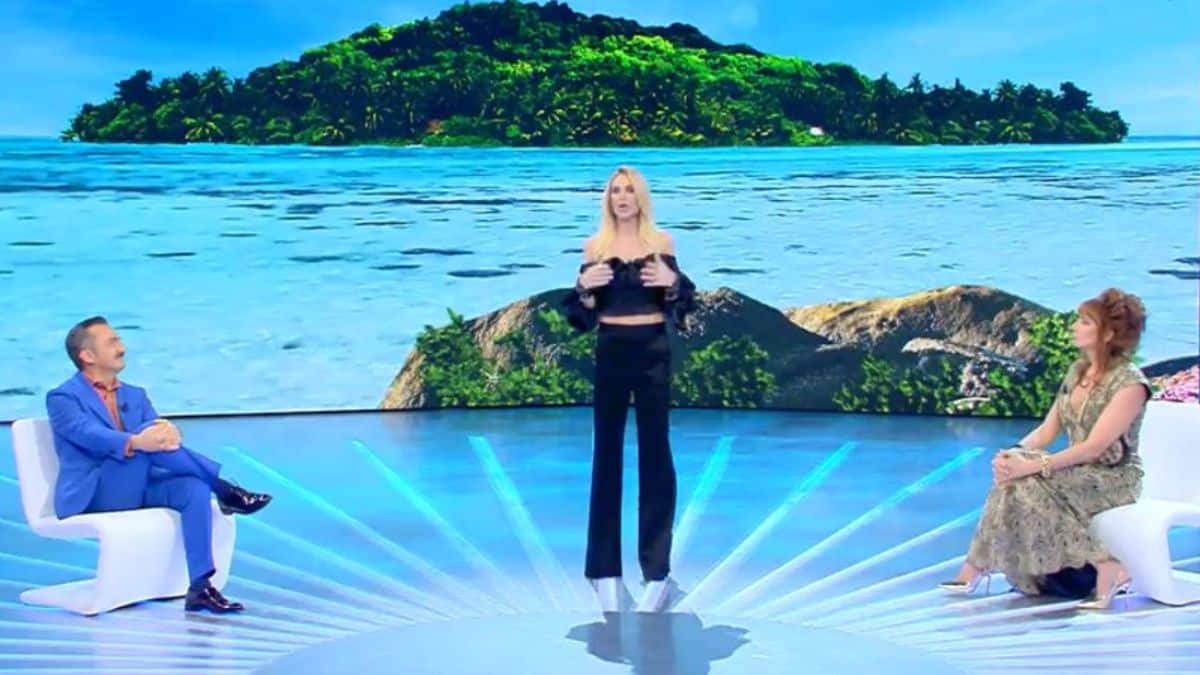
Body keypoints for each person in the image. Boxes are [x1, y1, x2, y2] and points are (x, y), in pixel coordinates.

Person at [940, 289, 1152, 610]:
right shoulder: (1077, 372)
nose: (1074, 327)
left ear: (1108, 334)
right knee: (1014, 473)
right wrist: (1013, 454)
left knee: (1027, 477)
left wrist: (1030, 466)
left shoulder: (1130, 384)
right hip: (1075, 469)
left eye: (1084, 322)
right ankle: (976, 568)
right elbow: (1046, 431)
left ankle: (1107, 565)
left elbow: (1094, 448)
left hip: (1112, 477)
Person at [46, 316, 272, 613]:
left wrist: (168, 430)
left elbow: (157, 435)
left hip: (138, 483)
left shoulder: (135, 394)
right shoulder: (63, 398)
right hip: (96, 492)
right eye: (112, 342)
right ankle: (226, 489)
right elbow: (87, 434)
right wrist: (138, 441)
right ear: (87, 355)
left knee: (193, 487)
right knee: (145, 445)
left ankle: (201, 586)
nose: (122, 347)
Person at [562, 166, 696, 613]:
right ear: (608, 199)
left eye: (629, 191)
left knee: (656, 457)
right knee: (607, 457)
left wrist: (672, 285)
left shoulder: (662, 244)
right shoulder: (595, 248)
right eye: (615, 191)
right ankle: (603, 571)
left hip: (653, 349)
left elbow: (682, 306)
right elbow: (582, 317)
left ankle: (657, 573)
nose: (622, 197)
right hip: (611, 349)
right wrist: (584, 290)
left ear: (641, 198)